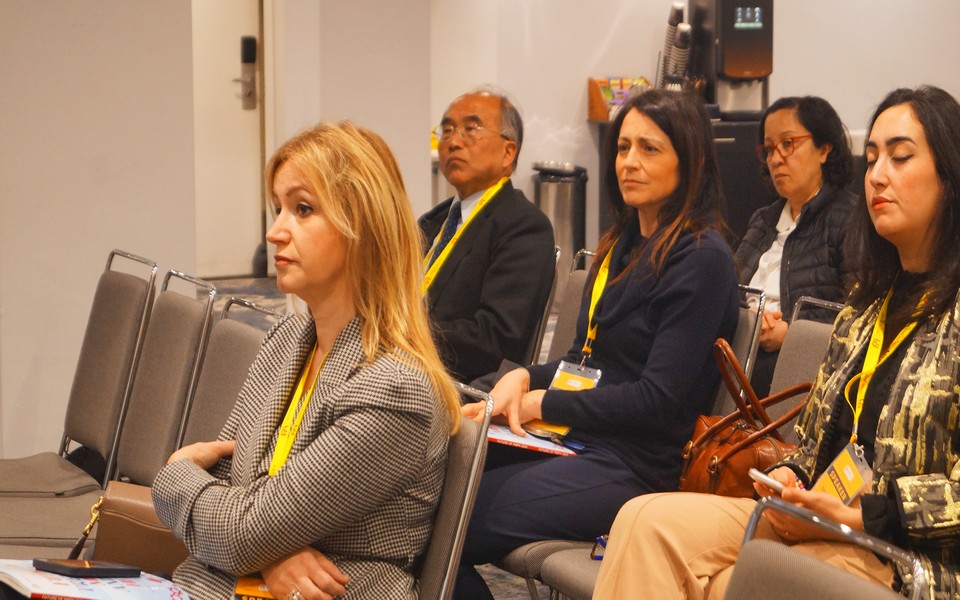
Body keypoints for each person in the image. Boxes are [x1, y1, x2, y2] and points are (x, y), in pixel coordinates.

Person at [593, 85, 960, 599]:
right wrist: (790, 477)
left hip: (905, 556)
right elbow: (810, 444)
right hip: (820, 521)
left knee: (737, 583)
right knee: (643, 519)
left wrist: (865, 514)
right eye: (873, 158)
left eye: (900, 158)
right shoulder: (863, 310)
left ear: (950, 173)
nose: (878, 175)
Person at [152, 122, 461, 600]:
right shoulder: (287, 340)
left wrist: (174, 471)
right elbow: (227, 482)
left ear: (363, 228)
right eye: (278, 208)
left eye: (302, 209)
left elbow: (238, 532)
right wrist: (268, 549)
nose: (275, 231)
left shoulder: (394, 389)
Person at [454, 89, 740, 599]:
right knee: (430, 485)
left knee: (451, 523)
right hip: (576, 440)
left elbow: (657, 400)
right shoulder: (621, 246)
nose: (629, 161)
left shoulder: (701, 258)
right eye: (623, 147)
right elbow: (583, 362)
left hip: (636, 466)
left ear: (690, 161)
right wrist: (523, 377)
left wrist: (542, 402)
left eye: (649, 149)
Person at [419, 88, 556, 383]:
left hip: (456, 385)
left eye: (470, 130)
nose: (453, 142)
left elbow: (495, 340)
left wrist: (405, 333)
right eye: (446, 131)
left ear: (508, 152)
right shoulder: (434, 221)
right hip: (404, 368)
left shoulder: (524, 227)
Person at [736, 96, 858, 397]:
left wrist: (790, 333)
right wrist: (751, 318)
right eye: (769, 149)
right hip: (738, 360)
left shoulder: (851, 218)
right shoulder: (762, 220)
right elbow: (728, 288)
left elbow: (859, 316)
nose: (775, 159)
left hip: (803, 376)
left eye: (788, 144)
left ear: (824, 149)